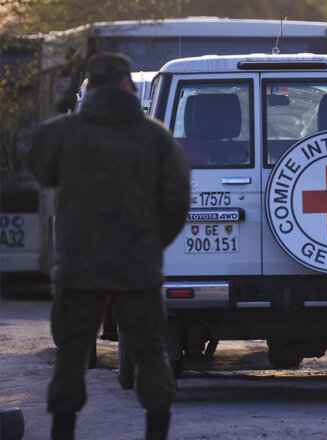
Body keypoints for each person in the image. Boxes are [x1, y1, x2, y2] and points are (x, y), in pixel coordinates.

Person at [27, 53, 191, 439]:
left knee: (70, 354)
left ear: (88, 87)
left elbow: (39, 169)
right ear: (126, 85)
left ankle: (63, 432)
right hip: (137, 267)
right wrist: (152, 243)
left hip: (79, 268)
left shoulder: (65, 132)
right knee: (150, 351)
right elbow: (178, 199)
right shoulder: (155, 137)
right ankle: (155, 432)